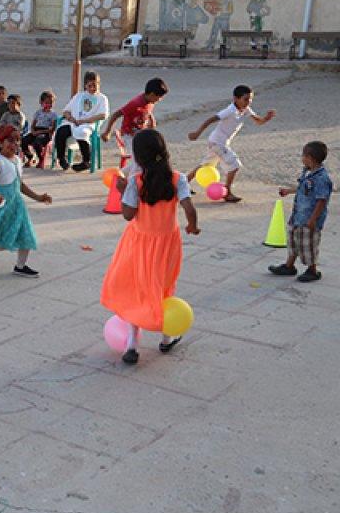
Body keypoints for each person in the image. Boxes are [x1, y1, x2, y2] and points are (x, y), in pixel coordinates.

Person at [101, 129, 199, 364]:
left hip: (139, 243)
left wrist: (123, 192)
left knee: (137, 289)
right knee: (163, 288)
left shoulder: (136, 182)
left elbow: (128, 215)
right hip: (167, 243)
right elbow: (188, 206)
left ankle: (132, 344)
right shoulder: (178, 178)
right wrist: (192, 226)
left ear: (138, 156)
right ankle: (166, 338)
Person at [0, 125, 53, 277]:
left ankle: (20, 266)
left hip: (17, 206)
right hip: (2, 205)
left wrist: (38, 197)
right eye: (10, 140)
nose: (15, 144)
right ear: (0, 142)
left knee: (26, 235)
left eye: (18, 140)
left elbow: (20, 185)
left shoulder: (18, 160)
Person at [187, 85, 276, 203]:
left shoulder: (246, 110)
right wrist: (197, 133)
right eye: (245, 99)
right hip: (218, 142)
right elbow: (211, 119)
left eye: (250, 99)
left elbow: (258, 121)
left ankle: (183, 183)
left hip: (218, 142)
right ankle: (227, 193)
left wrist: (266, 118)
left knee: (206, 164)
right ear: (235, 99)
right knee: (234, 165)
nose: (248, 102)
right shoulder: (230, 110)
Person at [269, 141, 331, 283]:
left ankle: (312, 270)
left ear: (310, 158)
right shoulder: (307, 172)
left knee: (308, 244)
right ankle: (289, 266)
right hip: (298, 215)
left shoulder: (321, 178)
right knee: (293, 240)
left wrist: (313, 220)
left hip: (309, 219)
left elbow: (322, 200)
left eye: (303, 155)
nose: (301, 158)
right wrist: (288, 191)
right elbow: (302, 187)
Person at [102, 77, 168, 167]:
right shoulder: (135, 103)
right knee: (137, 158)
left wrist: (152, 122)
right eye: (159, 97)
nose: (160, 100)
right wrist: (107, 132)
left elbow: (147, 111)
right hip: (129, 135)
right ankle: (128, 173)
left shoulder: (151, 101)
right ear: (152, 94)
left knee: (153, 150)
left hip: (141, 133)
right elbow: (116, 115)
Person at [55, 71, 109, 171]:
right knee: (61, 131)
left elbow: (103, 115)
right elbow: (66, 111)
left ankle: (86, 161)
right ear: (85, 85)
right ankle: (61, 159)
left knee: (82, 132)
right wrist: (71, 118)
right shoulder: (79, 96)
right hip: (74, 122)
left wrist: (85, 121)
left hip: (89, 123)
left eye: (95, 85)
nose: (92, 88)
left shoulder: (102, 98)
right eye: (90, 85)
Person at [21, 91, 58, 167]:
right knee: (23, 140)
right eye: (46, 103)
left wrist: (40, 132)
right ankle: (30, 157)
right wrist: (33, 131)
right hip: (36, 131)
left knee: (37, 142)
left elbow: (52, 129)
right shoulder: (38, 112)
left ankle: (41, 159)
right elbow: (33, 125)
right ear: (41, 102)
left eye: (51, 103)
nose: (49, 105)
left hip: (46, 132)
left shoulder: (53, 114)